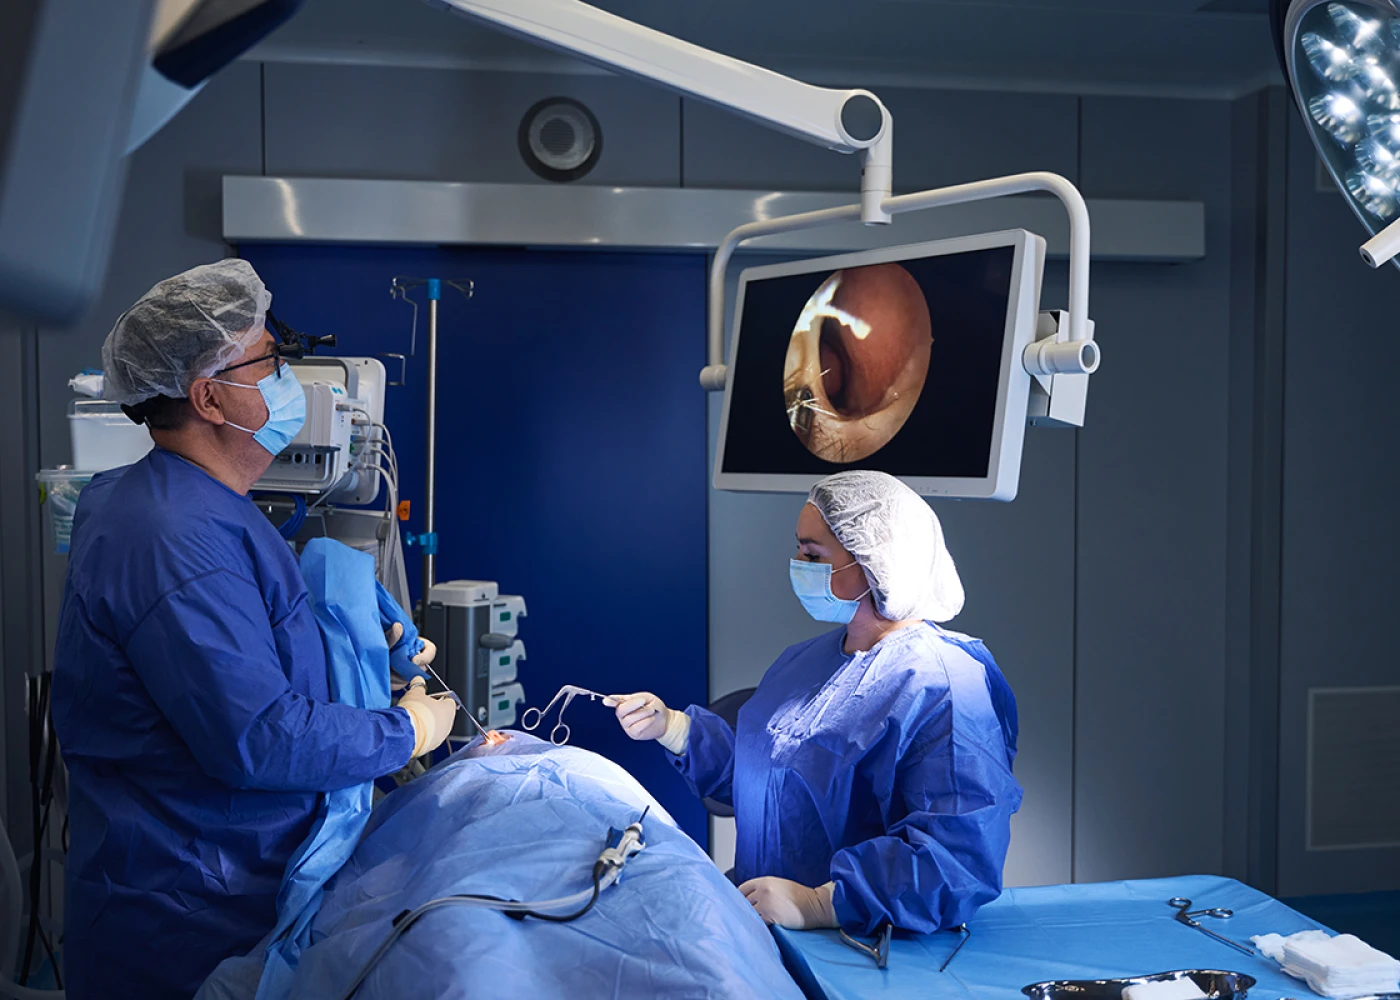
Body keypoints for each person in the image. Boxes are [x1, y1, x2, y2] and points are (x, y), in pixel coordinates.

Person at [51, 260, 456, 999]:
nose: (289, 379)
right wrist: (406, 731)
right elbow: (259, 736)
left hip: (217, 891)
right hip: (189, 924)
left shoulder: (190, 503)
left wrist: (346, 616)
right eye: (269, 361)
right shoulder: (173, 537)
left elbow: (237, 637)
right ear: (208, 397)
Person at [611, 470, 1021, 937]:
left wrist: (821, 902)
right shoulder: (805, 662)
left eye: (812, 554)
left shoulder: (942, 685)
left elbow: (957, 859)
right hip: (764, 923)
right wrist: (675, 729)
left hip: (859, 943)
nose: (797, 564)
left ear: (875, 561)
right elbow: (772, 782)